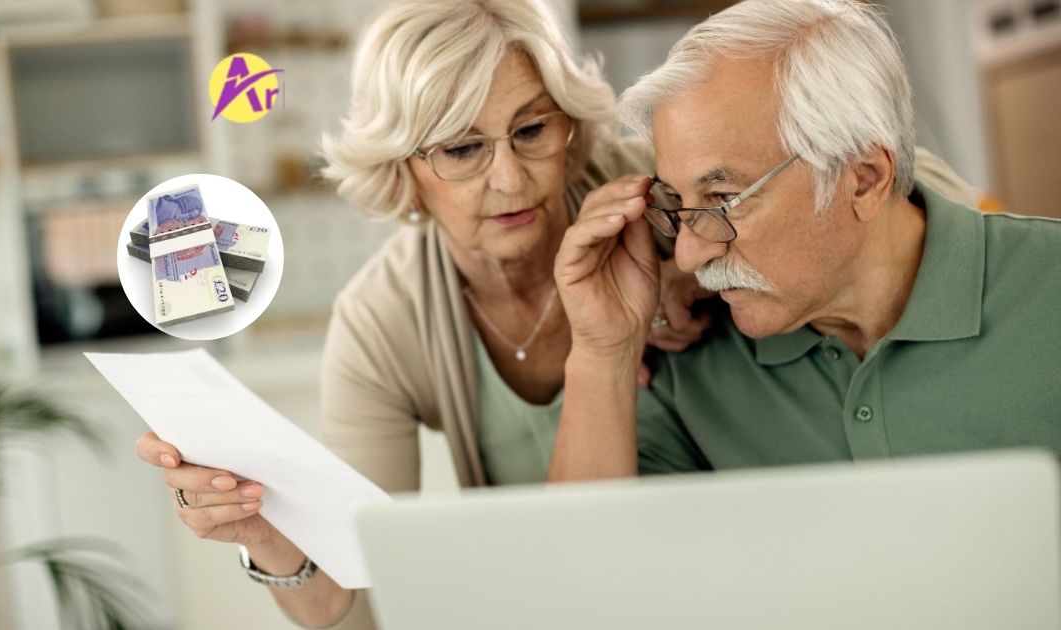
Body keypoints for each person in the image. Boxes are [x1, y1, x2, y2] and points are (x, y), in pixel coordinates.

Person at [135, 0, 977, 628]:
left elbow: (909, 191)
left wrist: (718, 250)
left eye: (532, 130)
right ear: (403, 170)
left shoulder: (657, 191)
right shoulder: (384, 323)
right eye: (463, 149)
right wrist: (267, 538)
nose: (511, 179)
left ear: (568, 126)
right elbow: (357, 603)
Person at [549, 0, 1061, 483]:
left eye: (722, 197)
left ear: (863, 179)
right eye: (676, 202)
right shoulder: (690, 355)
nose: (686, 255)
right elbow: (585, 566)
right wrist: (603, 351)